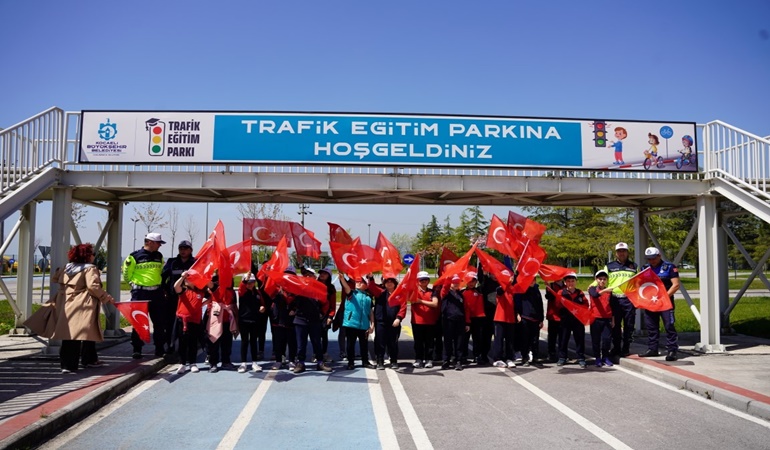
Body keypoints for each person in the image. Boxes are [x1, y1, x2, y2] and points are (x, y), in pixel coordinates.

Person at [51, 243, 116, 374]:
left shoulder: (66, 267)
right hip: (83, 305)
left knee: (69, 334)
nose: (94, 256)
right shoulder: (90, 269)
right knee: (86, 332)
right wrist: (106, 297)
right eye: (92, 254)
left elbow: (55, 278)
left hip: (67, 303)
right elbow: (93, 287)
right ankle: (83, 361)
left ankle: (69, 363)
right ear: (87, 256)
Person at [123, 232, 165, 359]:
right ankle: (137, 349)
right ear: (150, 242)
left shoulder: (159, 256)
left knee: (159, 323)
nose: (160, 245)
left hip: (156, 293)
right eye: (158, 243)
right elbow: (126, 273)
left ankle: (159, 349)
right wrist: (133, 284)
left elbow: (161, 271)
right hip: (140, 293)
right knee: (139, 322)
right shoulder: (134, 256)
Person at [638, 247, 680, 361]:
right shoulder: (645, 268)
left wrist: (664, 297)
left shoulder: (669, 267)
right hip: (651, 302)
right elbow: (641, 284)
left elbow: (676, 285)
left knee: (669, 326)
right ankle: (652, 349)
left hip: (665, 302)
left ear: (659, 256)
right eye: (649, 259)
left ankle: (672, 350)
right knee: (651, 326)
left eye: (653, 258)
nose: (652, 261)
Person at [290, 270, 332, 374]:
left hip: (314, 321)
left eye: (310, 275)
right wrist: (293, 309)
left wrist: (322, 313)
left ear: (314, 277)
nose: (308, 277)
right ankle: (300, 363)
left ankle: (320, 362)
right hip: (300, 320)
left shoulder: (319, 289)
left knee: (317, 343)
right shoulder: (298, 288)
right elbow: (291, 300)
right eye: (306, 275)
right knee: (301, 345)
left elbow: (326, 303)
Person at [603, 242, 638, 360]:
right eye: (619, 251)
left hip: (629, 299)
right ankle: (616, 347)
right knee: (615, 325)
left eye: (624, 251)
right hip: (614, 299)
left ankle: (626, 348)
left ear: (627, 252)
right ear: (616, 253)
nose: (621, 253)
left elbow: (639, 282)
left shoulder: (634, 266)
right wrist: (593, 287)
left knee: (629, 325)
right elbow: (601, 280)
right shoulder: (609, 266)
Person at [161, 240, 196, 356]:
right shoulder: (172, 262)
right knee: (170, 323)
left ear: (190, 250)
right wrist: (164, 291)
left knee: (188, 323)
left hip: (189, 299)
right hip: (173, 298)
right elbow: (163, 277)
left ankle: (187, 347)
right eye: (181, 248)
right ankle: (170, 346)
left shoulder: (195, 263)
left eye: (185, 248)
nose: (183, 251)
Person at [173, 270, 211, 374]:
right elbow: (176, 286)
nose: (187, 280)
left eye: (189, 278)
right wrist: (182, 277)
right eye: (186, 279)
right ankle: (182, 363)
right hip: (183, 321)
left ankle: (193, 363)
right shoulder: (183, 291)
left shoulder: (200, 292)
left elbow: (211, 296)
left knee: (193, 343)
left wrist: (203, 304)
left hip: (195, 321)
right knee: (182, 343)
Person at [369, 275, 407, 370]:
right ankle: (380, 361)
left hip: (394, 323)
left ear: (395, 283)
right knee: (380, 342)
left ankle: (393, 360)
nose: (389, 283)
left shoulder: (400, 294)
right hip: (381, 322)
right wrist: (371, 278)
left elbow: (403, 307)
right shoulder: (380, 293)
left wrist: (398, 318)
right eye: (387, 282)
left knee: (393, 342)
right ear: (384, 283)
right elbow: (372, 287)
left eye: (391, 281)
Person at [339, 275, 375, 370]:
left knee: (364, 345)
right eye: (357, 281)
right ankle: (351, 362)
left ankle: (365, 361)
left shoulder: (368, 297)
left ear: (366, 285)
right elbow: (346, 287)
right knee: (350, 344)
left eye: (361, 282)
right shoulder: (352, 293)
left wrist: (372, 325)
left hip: (364, 325)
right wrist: (342, 279)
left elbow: (371, 312)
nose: (358, 283)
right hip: (351, 324)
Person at [557, 273, 588, 369]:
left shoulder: (580, 293)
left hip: (577, 320)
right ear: (565, 282)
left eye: (573, 281)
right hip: (565, 320)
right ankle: (562, 357)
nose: (571, 283)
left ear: (576, 282)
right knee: (563, 339)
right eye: (568, 281)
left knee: (579, 339)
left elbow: (586, 305)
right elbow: (557, 304)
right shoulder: (561, 292)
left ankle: (581, 357)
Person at [438, 275, 469, 370]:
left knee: (459, 342)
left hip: (460, 321)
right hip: (448, 320)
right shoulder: (446, 293)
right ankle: (446, 360)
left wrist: (467, 323)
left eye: (457, 282)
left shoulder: (461, 295)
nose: (455, 284)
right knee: (447, 341)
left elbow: (466, 309)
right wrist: (449, 277)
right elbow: (444, 288)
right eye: (453, 282)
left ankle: (458, 360)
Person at [236, 273, 264, 373]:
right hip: (244, 320)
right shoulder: (242, 291)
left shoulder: (257, 293)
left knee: (253, 341)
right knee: (244, 341)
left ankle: (254, 362)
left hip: (255, 320)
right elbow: (241, 287)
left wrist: (262, 308)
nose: (250, 284)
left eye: (252, 282)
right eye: (248, 282)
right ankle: (243, 363)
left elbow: (262, 304)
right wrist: (244, 280)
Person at [411, 271, 439, 368]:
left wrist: (421, 301)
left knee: (430, 342)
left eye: (425, 280)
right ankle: (418, 359)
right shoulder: (414, 291)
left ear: (428, 281)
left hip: (430, 321)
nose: (423, 281)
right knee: (418, 342)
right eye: (421, 280)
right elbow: (411, 300)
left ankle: (428, 359)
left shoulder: (432, 292)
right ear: (418, 281)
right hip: (417, 321)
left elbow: (435, 304)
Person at [513, 278, 544, 367]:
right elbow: (517, 303)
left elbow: (540, 305)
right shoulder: (522, 290)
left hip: (536, 319)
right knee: (525, 339)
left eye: (533, 280)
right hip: (525, 317)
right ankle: (525, 357)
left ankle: (535, 357)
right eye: (530, 280)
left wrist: (541, 319)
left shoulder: (536, 291)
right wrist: (517, 314)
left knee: (535, 340)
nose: (531, 282)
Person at [588, 270, 614, 367]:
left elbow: (613, 306)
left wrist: (613, 320)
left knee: (607, 339)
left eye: (604, 279)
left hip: (607, 318)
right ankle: (597, 358)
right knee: (596, 340)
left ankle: (605, 357)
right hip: (595, 318)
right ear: (596, 280)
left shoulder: (609, 292)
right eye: (600, 279)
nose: (602, 281)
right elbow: (595, 295)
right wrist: (604, 291)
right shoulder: (592, 289)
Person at [462, 272, 487, 365]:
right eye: (469, 281)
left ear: (476, 281)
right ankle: (463, 356)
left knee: (477, 338)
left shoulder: (480, 291)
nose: (471, 283)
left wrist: (483, 270)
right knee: (464, 338)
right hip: (466, 319)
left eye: (473, 281)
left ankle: (477, 356)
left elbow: (483, 281)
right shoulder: (462, 292)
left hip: (478, 318)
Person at [317, 267, 337, 362]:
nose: (322, 275)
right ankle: (316, 354)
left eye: (325, 273)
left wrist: (330, 316)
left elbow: (333, 304)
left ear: (329, 276)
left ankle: (324, 353)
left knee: (324, 335)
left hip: (325, 316)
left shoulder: (331, 288)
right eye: (321, 273)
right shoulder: (315, 284)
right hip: (314, 314)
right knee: (315, 335)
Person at [544, 279, 564, 362]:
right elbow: (549, 297)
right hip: (553, 315)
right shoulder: (551, 285)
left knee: (563, 337)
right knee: (552, 336)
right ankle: (551, 353)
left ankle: (562, 354)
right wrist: (549, 288)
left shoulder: (566, 286)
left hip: (563, 316)